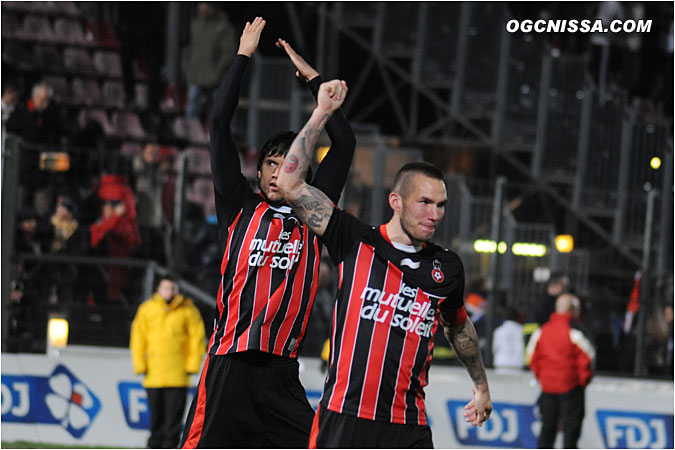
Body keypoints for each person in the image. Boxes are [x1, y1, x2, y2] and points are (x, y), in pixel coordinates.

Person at [276, 91, 492, 447]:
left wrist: (481, 386)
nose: (434, 214)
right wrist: (321, 113)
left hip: (406, 426)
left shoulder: (446, 267)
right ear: (396, 201)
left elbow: (458, 326)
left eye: (441, 205)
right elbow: (289, 185)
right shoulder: (353, 239)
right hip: (343, 419)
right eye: (424, 202)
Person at [180, 17, 355, 448]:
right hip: (230, 364)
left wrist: (316, 83)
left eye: (287, 163)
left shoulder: (314, 211)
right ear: (257, 172)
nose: (279, 173)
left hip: (281, 373)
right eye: (271, 164)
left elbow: (345, 144)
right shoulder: (239, 204)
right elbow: (219, 124)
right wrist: (242, 54)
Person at [130, 276, 206, 449]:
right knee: (155, 418)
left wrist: (192, 366)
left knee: (174, 420)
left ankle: (170, 446)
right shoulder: (147, 309)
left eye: (172, 289)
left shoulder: (188, 310)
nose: (169, 292)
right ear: (158, 289)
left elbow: (197, 339)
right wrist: (140, 365)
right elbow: (138, 338)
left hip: (178, 374)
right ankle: (154, 445)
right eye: (166, 288)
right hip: (154, 373)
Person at [526, 293, 595, 449]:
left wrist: (541, 377)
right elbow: (588, 358)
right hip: (571, 387)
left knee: (547, 427)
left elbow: (532, 357)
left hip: (548, 387)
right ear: (572, 310)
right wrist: (583, 380)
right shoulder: (575, 331)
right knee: (571, 430)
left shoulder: (543, 331)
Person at [183, 2, 235, 119]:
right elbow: (188, 48)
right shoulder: (195, 24)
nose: (203, 8)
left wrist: (219, 70)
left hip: (216, 75)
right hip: (196, 73)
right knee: (192, 103)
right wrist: (187, 68)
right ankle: (191, 131)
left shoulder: (222, 26)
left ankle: (221, 132)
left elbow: (228, 51)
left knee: (219, 106)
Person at [492, 306, 525, 373]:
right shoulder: (521, 330)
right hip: (517, 363)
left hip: (501, 362)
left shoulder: (498, 331)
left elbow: (495, 348)